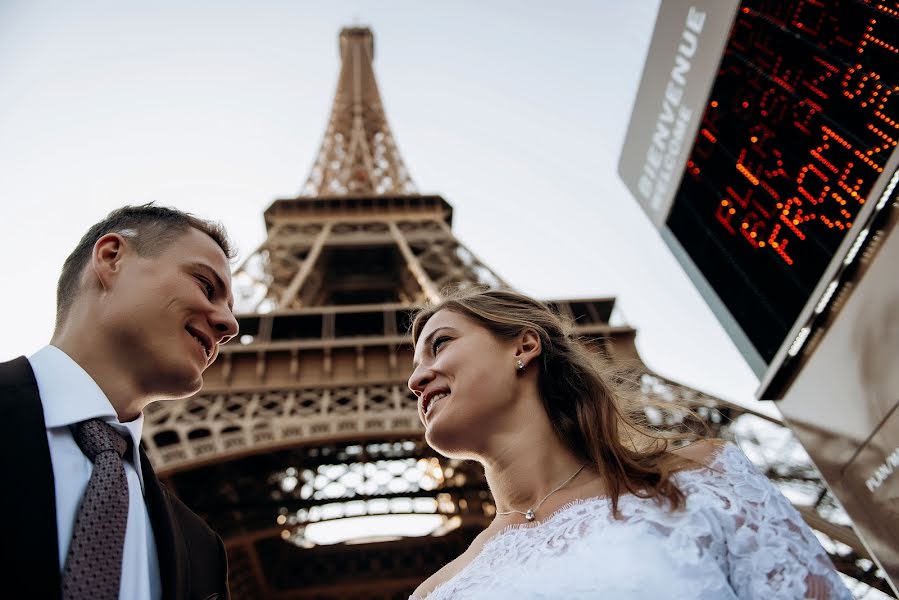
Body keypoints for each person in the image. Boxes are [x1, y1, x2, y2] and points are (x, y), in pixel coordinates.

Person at [406, 287, 852, 600]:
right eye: (414, 363)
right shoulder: (438, 590)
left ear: (523, 346)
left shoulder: (699, 478)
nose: (414, 378)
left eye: (440, 344)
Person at [0, 204, 239, 599]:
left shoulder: (202, 551)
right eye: (205, 285)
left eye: (230, 311)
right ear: (111, 257)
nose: (230, 325)